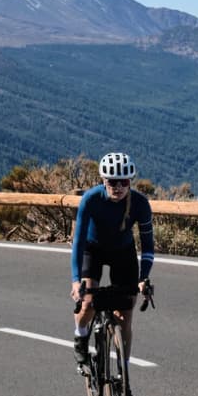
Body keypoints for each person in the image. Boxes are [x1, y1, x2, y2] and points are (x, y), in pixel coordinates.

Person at [70, 151, 155, 374]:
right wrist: (76, 281)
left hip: (122, 252)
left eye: (123, 182)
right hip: (93, 249)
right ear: (103, 181)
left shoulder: (140, 204)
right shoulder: (91, 199)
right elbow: (78, 243)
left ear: (130, 182)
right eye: (111, 182)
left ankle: (123, 372)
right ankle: (80, 336)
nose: (117, 187)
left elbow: (147, 245)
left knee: (125, 315)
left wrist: (143, 278)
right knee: (88, 302)